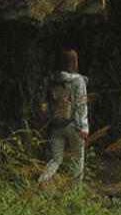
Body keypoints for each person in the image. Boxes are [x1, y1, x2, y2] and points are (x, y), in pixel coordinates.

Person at [38, 47, 90, 185]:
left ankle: (42, 182)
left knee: (55, 160)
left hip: (56, 124)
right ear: (74, 62)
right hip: (74, 125)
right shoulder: (78, 81)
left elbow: (45, 103)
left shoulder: (52, 79)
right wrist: (84, 127)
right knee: (78, 159)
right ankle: (75, 190)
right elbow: (81, 104)